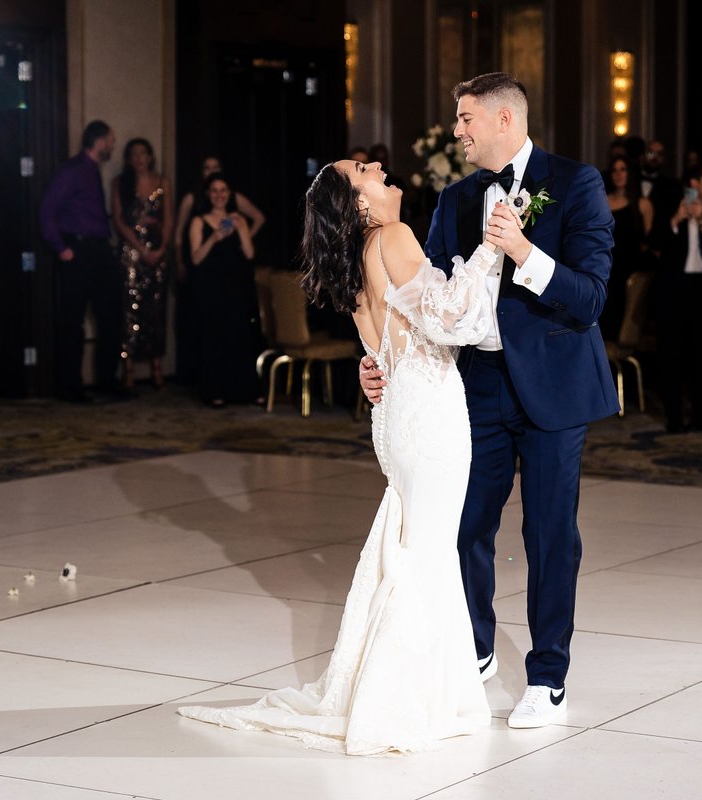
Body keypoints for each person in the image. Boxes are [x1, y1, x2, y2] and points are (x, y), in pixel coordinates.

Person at [179, 152, 505, 753]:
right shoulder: (394, 236)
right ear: (358, 202)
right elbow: (450, 318)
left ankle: (440, 693)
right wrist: (491, 250)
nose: (378, 165)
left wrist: (372, 367)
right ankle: (398, 705)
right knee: (426, 558)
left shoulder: (358, 259)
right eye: (362, 169)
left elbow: (386, 342)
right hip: (429, 420)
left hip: (395, 423)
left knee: (418, 551)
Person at [361, 72, 619, 729]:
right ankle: (474, 647)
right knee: (463, 524)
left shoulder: (575, 183)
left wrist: (525, 252)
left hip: (555, 388)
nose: (457, 130)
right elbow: (429, 304)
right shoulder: (453, 199)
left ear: (505, 120)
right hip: (476, 389)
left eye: (466, 117)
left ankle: (548, 677)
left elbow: (591, 298)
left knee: (550, 532)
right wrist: (381, 361)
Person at [38, 119, 124, 402]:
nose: (113, 145)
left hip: (98, 249)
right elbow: (48, 209)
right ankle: (70, 386)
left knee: (111, 316)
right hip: (79, 249)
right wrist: (61, 247)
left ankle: (106, 381)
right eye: (111, 140)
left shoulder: (92, 171)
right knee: (72, 320)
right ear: (99, 142)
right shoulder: (73, 171)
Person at [172, 156, 266, 384]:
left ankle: (242, 387)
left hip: (235, 283)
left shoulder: (239, 218)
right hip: (210, 285)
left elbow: (250, 254)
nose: (219, 195)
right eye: (214, 191)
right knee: (213, 336)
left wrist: (241, 229)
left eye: (223, 190)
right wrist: (214, 237)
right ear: (208, 193)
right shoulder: (198, 220)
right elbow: (195, 258)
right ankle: (214, 388)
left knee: (239, 334)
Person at [656, 161, 702, 433]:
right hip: (674, 289)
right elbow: (654, 242)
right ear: (695, 183)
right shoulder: (669, 205)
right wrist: (676, 220)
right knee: (672, 354)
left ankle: (698, 414)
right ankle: (673, 416)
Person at [112, 138, 173, 391]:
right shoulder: (120, 183)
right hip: (132, 253)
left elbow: (169, 219)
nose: (139, 158)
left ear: (150, 157)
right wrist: (140, 249)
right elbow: (118, 220)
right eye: (134, 154)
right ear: (128, 159)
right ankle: (128, 371)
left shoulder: (162, 182)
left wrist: (160, 249)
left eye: (144, 153)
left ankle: (157, 369)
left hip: (157, 252)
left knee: (156, 310)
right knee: (130, 308)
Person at [601, 154, 653, 340]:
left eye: (623, 169)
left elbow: (648, 241)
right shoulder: (603, 201)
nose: (618, 174)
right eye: (615, 170)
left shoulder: (642, 204)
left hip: (629, 267)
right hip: (606, 264)